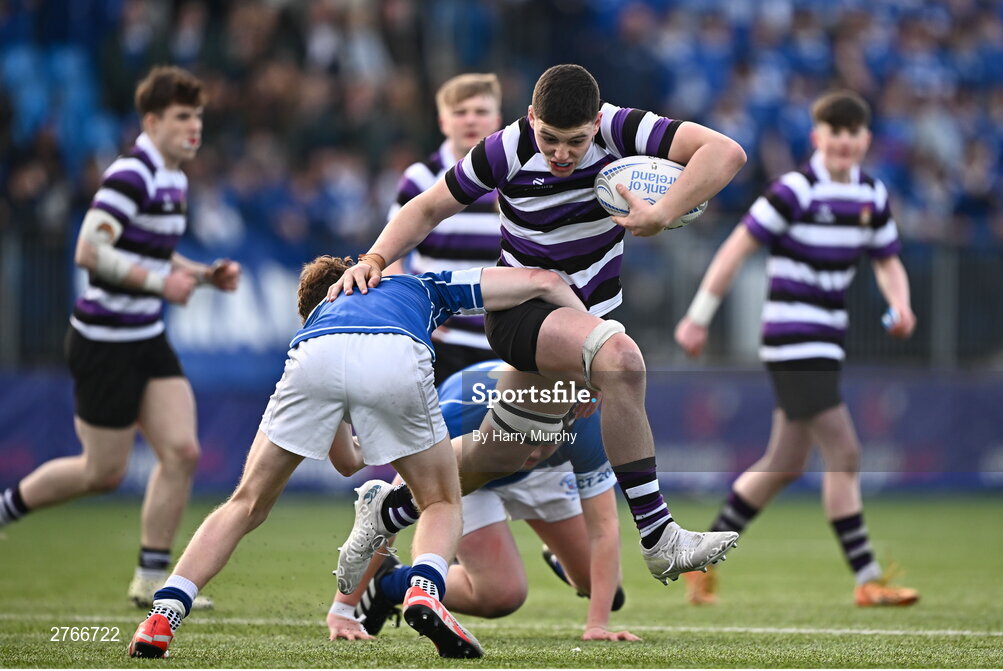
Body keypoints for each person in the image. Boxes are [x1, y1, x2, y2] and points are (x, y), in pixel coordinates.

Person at [329, 64, 748, 588]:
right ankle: (659, 537)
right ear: (531, 118)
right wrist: (373, 257)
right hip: (522, 313)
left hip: (585, 318)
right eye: (549, 139)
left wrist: (663, 212)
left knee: (502, 451)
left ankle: (386, 508)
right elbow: (430, 206)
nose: (561, 154)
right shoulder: (504, 149)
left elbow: (725, 153)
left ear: (596, 122)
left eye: (574, 141)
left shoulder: (623, 129)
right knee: (622, 361)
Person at [127, 255, 589, 660]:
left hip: (314, 363)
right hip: (395, 353)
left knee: (244, 504)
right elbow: (544, 282)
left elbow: (347, 463)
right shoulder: (416, 285)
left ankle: (163, 614)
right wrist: (591, 349)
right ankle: (424, 590)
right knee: (440, 500)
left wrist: (368, 431)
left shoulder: (316, 323)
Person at [0, 66, 240, 610]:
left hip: (145, 335)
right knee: (101, 471)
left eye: (198, 116)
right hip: (104, 341)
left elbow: (149, 248)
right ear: (151, 121)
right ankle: (4, 508)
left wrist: (201, 274)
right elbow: (90, 250)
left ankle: (151, 579)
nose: (194, 127)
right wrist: (162, 283)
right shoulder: (133, 174)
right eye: (182, 117)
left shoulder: (173, 176)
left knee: (181, 451)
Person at [674, 91, 920, 608]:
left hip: (827, 338)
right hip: (792, 336)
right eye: (834, 133)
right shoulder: (794, 190)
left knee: (784, 463)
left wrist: (901, 304)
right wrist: (698, 318)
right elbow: (736, 247)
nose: (843, 142)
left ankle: (699, 561)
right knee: (845, 453)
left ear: (865, 139)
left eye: (853, 133)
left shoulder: (872, 195)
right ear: (818, 138)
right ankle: (867, 578)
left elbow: (887, 259)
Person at [324, 360, 638, 643]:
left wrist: (597, 625)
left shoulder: (584, 421)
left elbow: (605, 526)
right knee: (502, 596)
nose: (530, 453)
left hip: (547, 477)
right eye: (524, 439)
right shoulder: (460, 412)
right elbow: (384, 513)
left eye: (544, 443)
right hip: (470, 468)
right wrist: (343, 608)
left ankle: (559, 556)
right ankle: (389, 583)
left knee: (606, 591)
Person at [386, 73, 504, 384]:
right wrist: (417, 315)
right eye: (460, 112)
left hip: (504, 343)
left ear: (497, 120)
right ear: (443, 122)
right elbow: (390, 258)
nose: (470, 121)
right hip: (439, 343)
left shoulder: (517, 181)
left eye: (480, 112)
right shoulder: (422, 178)